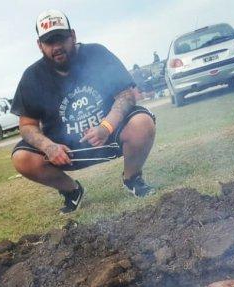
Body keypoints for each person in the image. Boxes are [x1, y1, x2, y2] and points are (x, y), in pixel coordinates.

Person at [11, 9, 156, 214]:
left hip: (109, 134)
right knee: (22, 158)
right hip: (66, 149)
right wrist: (49, 146)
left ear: (73, 35)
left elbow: (126, 95)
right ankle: (72, 191)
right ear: (40, 45)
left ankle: (132, 178)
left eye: (61, 38)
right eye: (49, 42)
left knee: (142, 122)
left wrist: (106, 127)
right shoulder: (32, 77)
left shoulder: (96, 54)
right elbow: (27, 126)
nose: (57, 46)